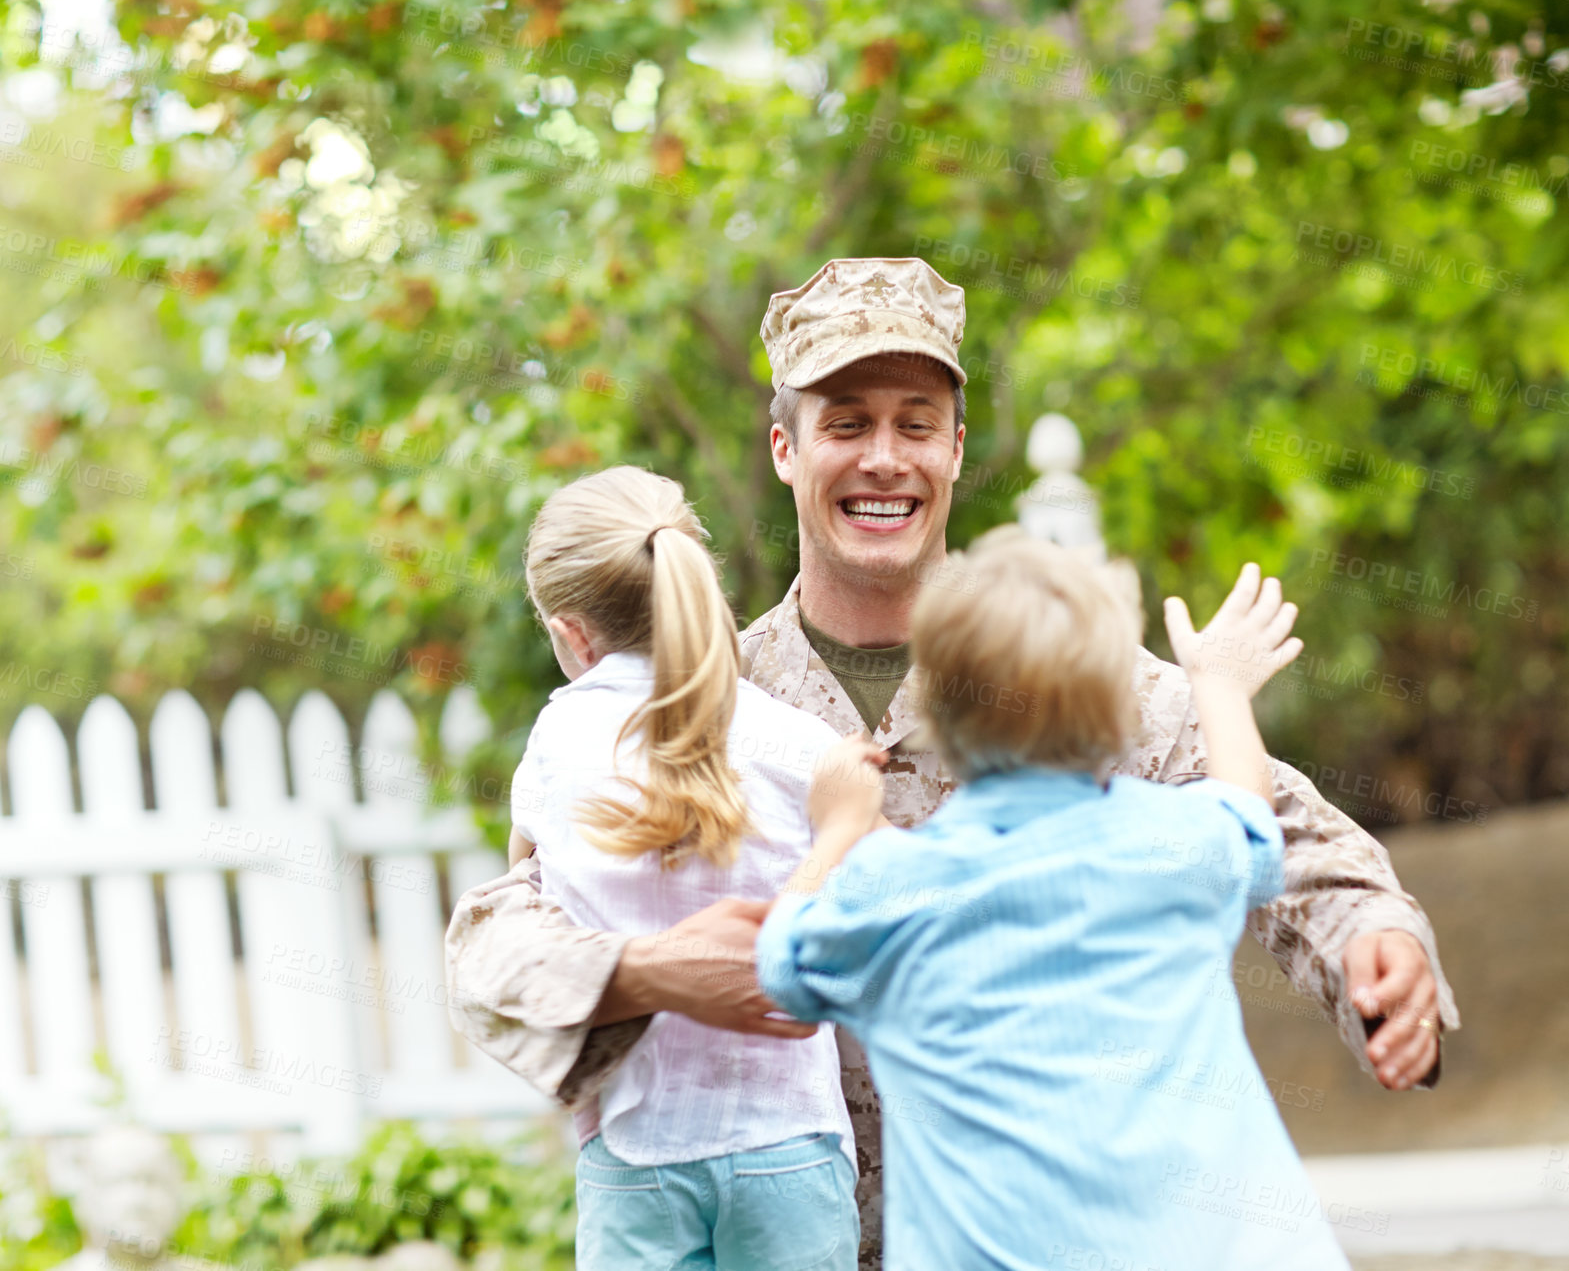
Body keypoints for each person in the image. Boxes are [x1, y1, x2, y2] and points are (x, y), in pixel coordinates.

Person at [446, 258, 1460, 1270]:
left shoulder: (1063, 673)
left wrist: (1371, 930)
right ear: (784, 448)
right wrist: (646, 969)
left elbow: (1270, 819)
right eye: (846, 422)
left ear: (956, 447)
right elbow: (495, 943)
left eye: (915, 422)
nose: (885, 458)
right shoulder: (696, 695)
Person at [757, 537, 1352, 1270]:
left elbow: (782, 968)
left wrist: (841, 830)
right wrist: (1219, 687)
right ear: (1116, 721)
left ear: (935, 719)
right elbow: (1251, 820)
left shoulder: (892, 892)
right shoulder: (1177, 846)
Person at [507, 465, 860, 1270]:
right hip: (791, 1146)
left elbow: (522, 916)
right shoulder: (793, 737)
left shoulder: (557, 744)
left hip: (636, 1150)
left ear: (572, 634)